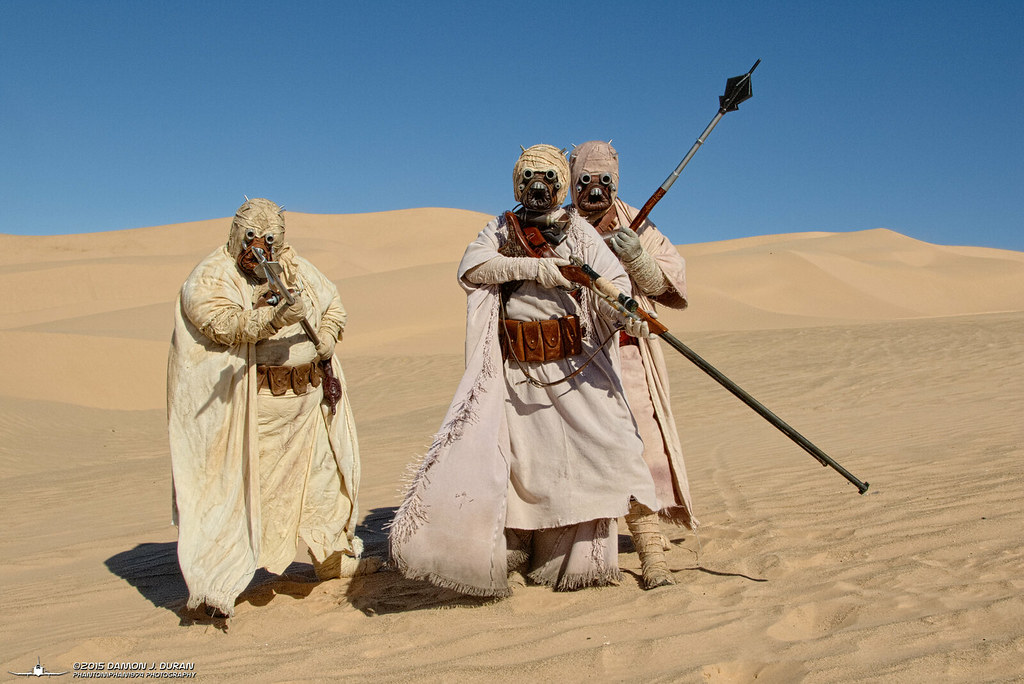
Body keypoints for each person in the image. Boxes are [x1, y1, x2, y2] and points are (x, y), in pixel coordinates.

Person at [389, 144, 660, 596]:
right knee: (524, 471)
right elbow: (473, 267)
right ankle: (511, 556)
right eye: (531, 176)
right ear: (518, 182)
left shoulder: (579, 232)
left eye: (550, 178)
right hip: (521, 375)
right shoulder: (501, 228)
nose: (540, 185)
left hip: (579, 366)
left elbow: (611, 283)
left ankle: (653, 556)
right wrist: (542, 269)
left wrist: (626, 314)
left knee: (619, 451)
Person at [167, 197, 377, 618]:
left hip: (309, 406)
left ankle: (333, 561)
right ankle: (215, 585)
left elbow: (333, 305)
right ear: (234, 233)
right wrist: (273, 319)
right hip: (252, 415)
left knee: (324, 486)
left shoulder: (296, 267)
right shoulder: (212, 275)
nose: (258, 247)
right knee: (235, 497)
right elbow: (221, 325)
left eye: (268, 239)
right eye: (250, 237)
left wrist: (329, 334)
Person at [568, 140, 697, 588]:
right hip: (576, 360)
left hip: (630, 353)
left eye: (604, 180)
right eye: (585, 180)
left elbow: (669, 286)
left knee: (640, 449)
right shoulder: (558, 226)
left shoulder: (641, 226)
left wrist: (638, 259)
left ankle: (651, 554)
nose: (595, 190)